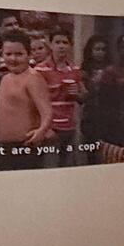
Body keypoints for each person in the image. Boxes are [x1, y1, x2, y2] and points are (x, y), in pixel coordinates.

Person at [0, 30, 52, 170]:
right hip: (3, 148)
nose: (13, 59)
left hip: (25, 147)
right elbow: (5, 112)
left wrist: (41, 131)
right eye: (8, 54)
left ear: (29, 55)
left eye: (19, 54)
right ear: (2, 55)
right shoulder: (5, 78)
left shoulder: (33, 78)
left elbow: (47, 112)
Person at [35, 25, 85, 166]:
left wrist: (77, 94)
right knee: (50, 167)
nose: (61, 46)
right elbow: (35, 102)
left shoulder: (75, 69)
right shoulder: (40, 70)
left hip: (70, 127)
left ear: (70, 45)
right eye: (57, 42)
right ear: (50, 45)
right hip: (50, 128)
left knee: (68, 167)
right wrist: (45, 128)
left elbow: (84, 97)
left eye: (65, 42)